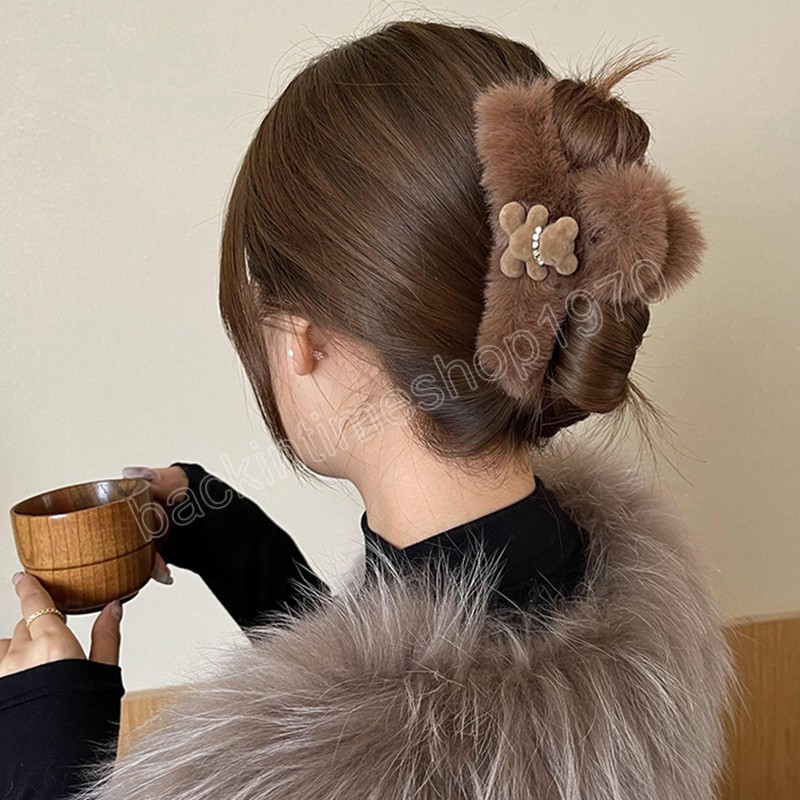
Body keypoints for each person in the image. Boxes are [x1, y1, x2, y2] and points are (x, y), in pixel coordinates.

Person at [0, 19, 736, 800]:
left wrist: (44, 756)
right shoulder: (611, 586)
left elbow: (374, 735)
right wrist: (235, 543)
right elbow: (398, 690)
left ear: (300, 340)